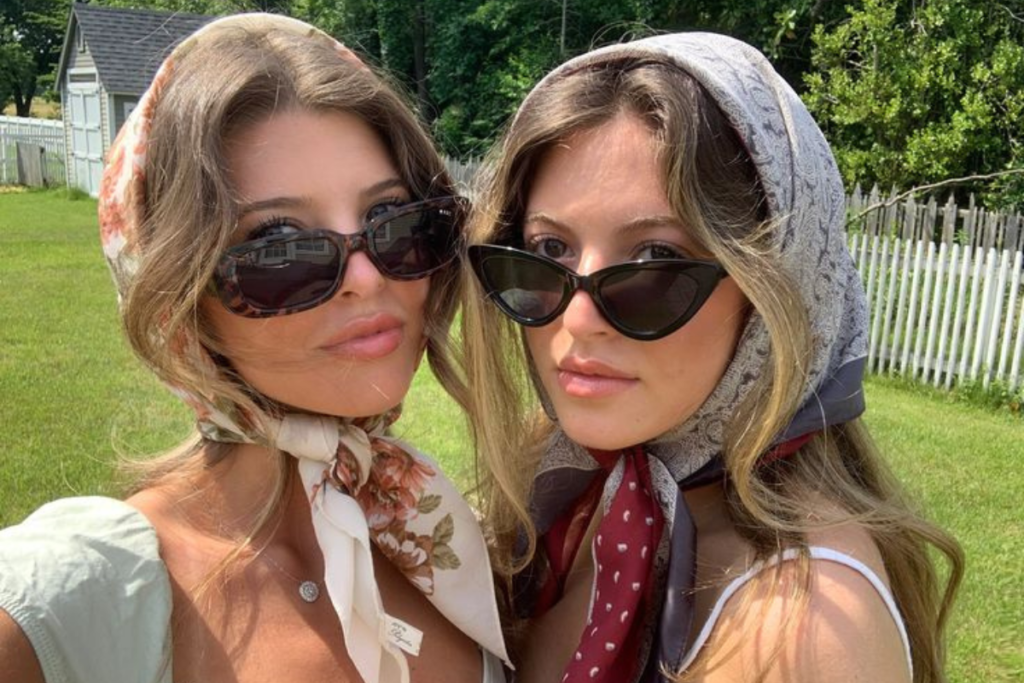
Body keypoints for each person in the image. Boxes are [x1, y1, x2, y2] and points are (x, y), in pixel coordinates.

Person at [0, 14, 509, 683]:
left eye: (395, 222)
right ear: (179, 300)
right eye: (280, 248)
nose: (368, 277)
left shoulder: (451, 541)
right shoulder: (64, 601)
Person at [462, 33, 963, 682]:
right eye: (550, 249)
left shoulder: (803, 630)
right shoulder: (584, 492)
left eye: (656, 261)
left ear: (774, 289)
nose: (576, 319)